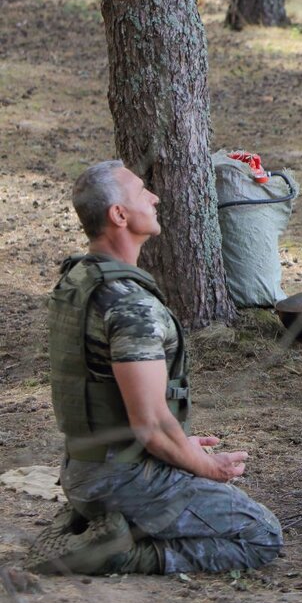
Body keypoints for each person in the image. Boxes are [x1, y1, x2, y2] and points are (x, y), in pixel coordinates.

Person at [27, 161, 282, 576]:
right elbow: (149, 422)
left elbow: (110, 400)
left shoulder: (80, 279)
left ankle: (100, 521)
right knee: (261, 534)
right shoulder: (129, 303)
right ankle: (115, 552)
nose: (155, 197)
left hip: (87, 467)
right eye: (142, 190)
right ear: (119, 215)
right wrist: (205, 466)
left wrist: (180, 446)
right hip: (118, 478)